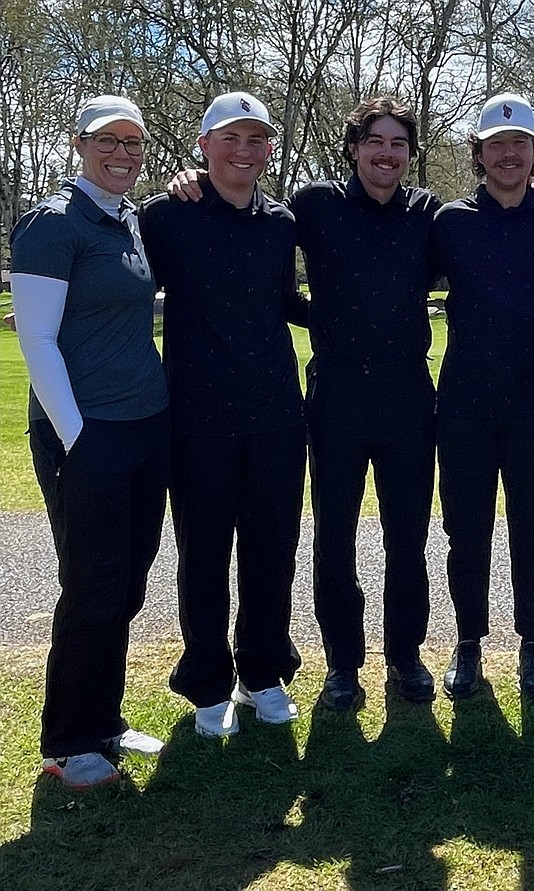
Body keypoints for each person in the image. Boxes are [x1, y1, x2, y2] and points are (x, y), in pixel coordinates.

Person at [171, 97, 441, 710]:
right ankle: (343, 664)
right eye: (375, 141)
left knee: (409, 536)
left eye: (399, 144)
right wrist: (193, 181)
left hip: (406, 396)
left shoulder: (428, 213)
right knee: (334, 537)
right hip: (336, 396)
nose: (386, 153)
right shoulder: (312, 208)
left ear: (409, 155)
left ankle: (406, 657)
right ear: (353, 148)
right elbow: (255, 242)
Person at [11, 95, 169, 789]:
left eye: (134, 144)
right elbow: (37, 338)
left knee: (126, 581)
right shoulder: (53, 223)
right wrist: (79, 439)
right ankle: (68, 742)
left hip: (144, 425)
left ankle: (103, 719)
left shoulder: (126, 220)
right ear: (78, 144)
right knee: (91, 583)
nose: (123, 154)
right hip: (86, 434)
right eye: (109, 141)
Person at [139, 92, 306, 738]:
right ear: (204, 146)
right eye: (230, 138)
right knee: (203, 555)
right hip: (196, 418)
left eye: (256, 139)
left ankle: (263, 673)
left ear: (269, 149)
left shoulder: (281, 222)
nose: (244, 150)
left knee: (272, 551)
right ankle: (208, 682)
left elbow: (286, 299)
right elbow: (119, 283)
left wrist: (371, 326)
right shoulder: (165, 215)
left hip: (275, 417)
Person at [429, 93, 534, 698]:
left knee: (533, 527)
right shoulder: (450, 221)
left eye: (520, 144)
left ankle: (533, 644)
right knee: (467, 528)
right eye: (495, 145)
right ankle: (467, 645)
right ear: (478, 155)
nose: (508, 155)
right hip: (464, 402)